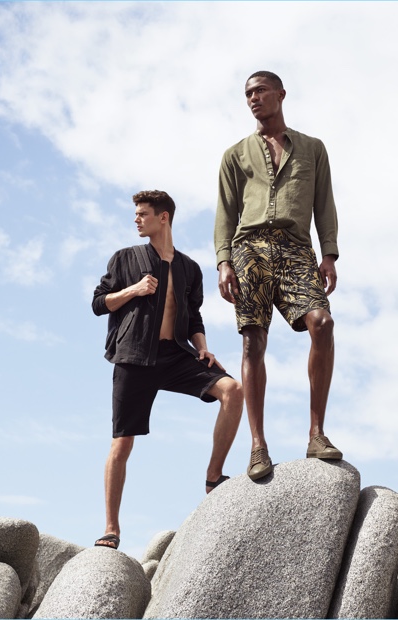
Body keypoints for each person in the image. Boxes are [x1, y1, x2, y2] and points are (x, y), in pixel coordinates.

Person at [92, 189, 243, 549]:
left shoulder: (189, 268)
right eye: (136, 214)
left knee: (233, 390)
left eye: (143, 213)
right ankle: (111, 528)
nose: (136, 219)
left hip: (175, 354)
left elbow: (194, 315)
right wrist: (134, 290)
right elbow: (99, 303)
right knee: (121, 444)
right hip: (133, 356)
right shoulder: (125, 258)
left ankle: (212, 477)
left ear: (164, 217)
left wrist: (203, 348)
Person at [214, 70, 342, 482]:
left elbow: (325, 204)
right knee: (253, 339)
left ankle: (316, 433)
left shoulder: (313, 149)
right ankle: (257, 445)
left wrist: (329, 254)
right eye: (248, 93)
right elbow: (225, 213)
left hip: (295, 247)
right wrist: (223, 262)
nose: (253, 98)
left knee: (321, 323)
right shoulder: (235, 154)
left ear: (280, 94)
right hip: (249, 247)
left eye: (260, 91)